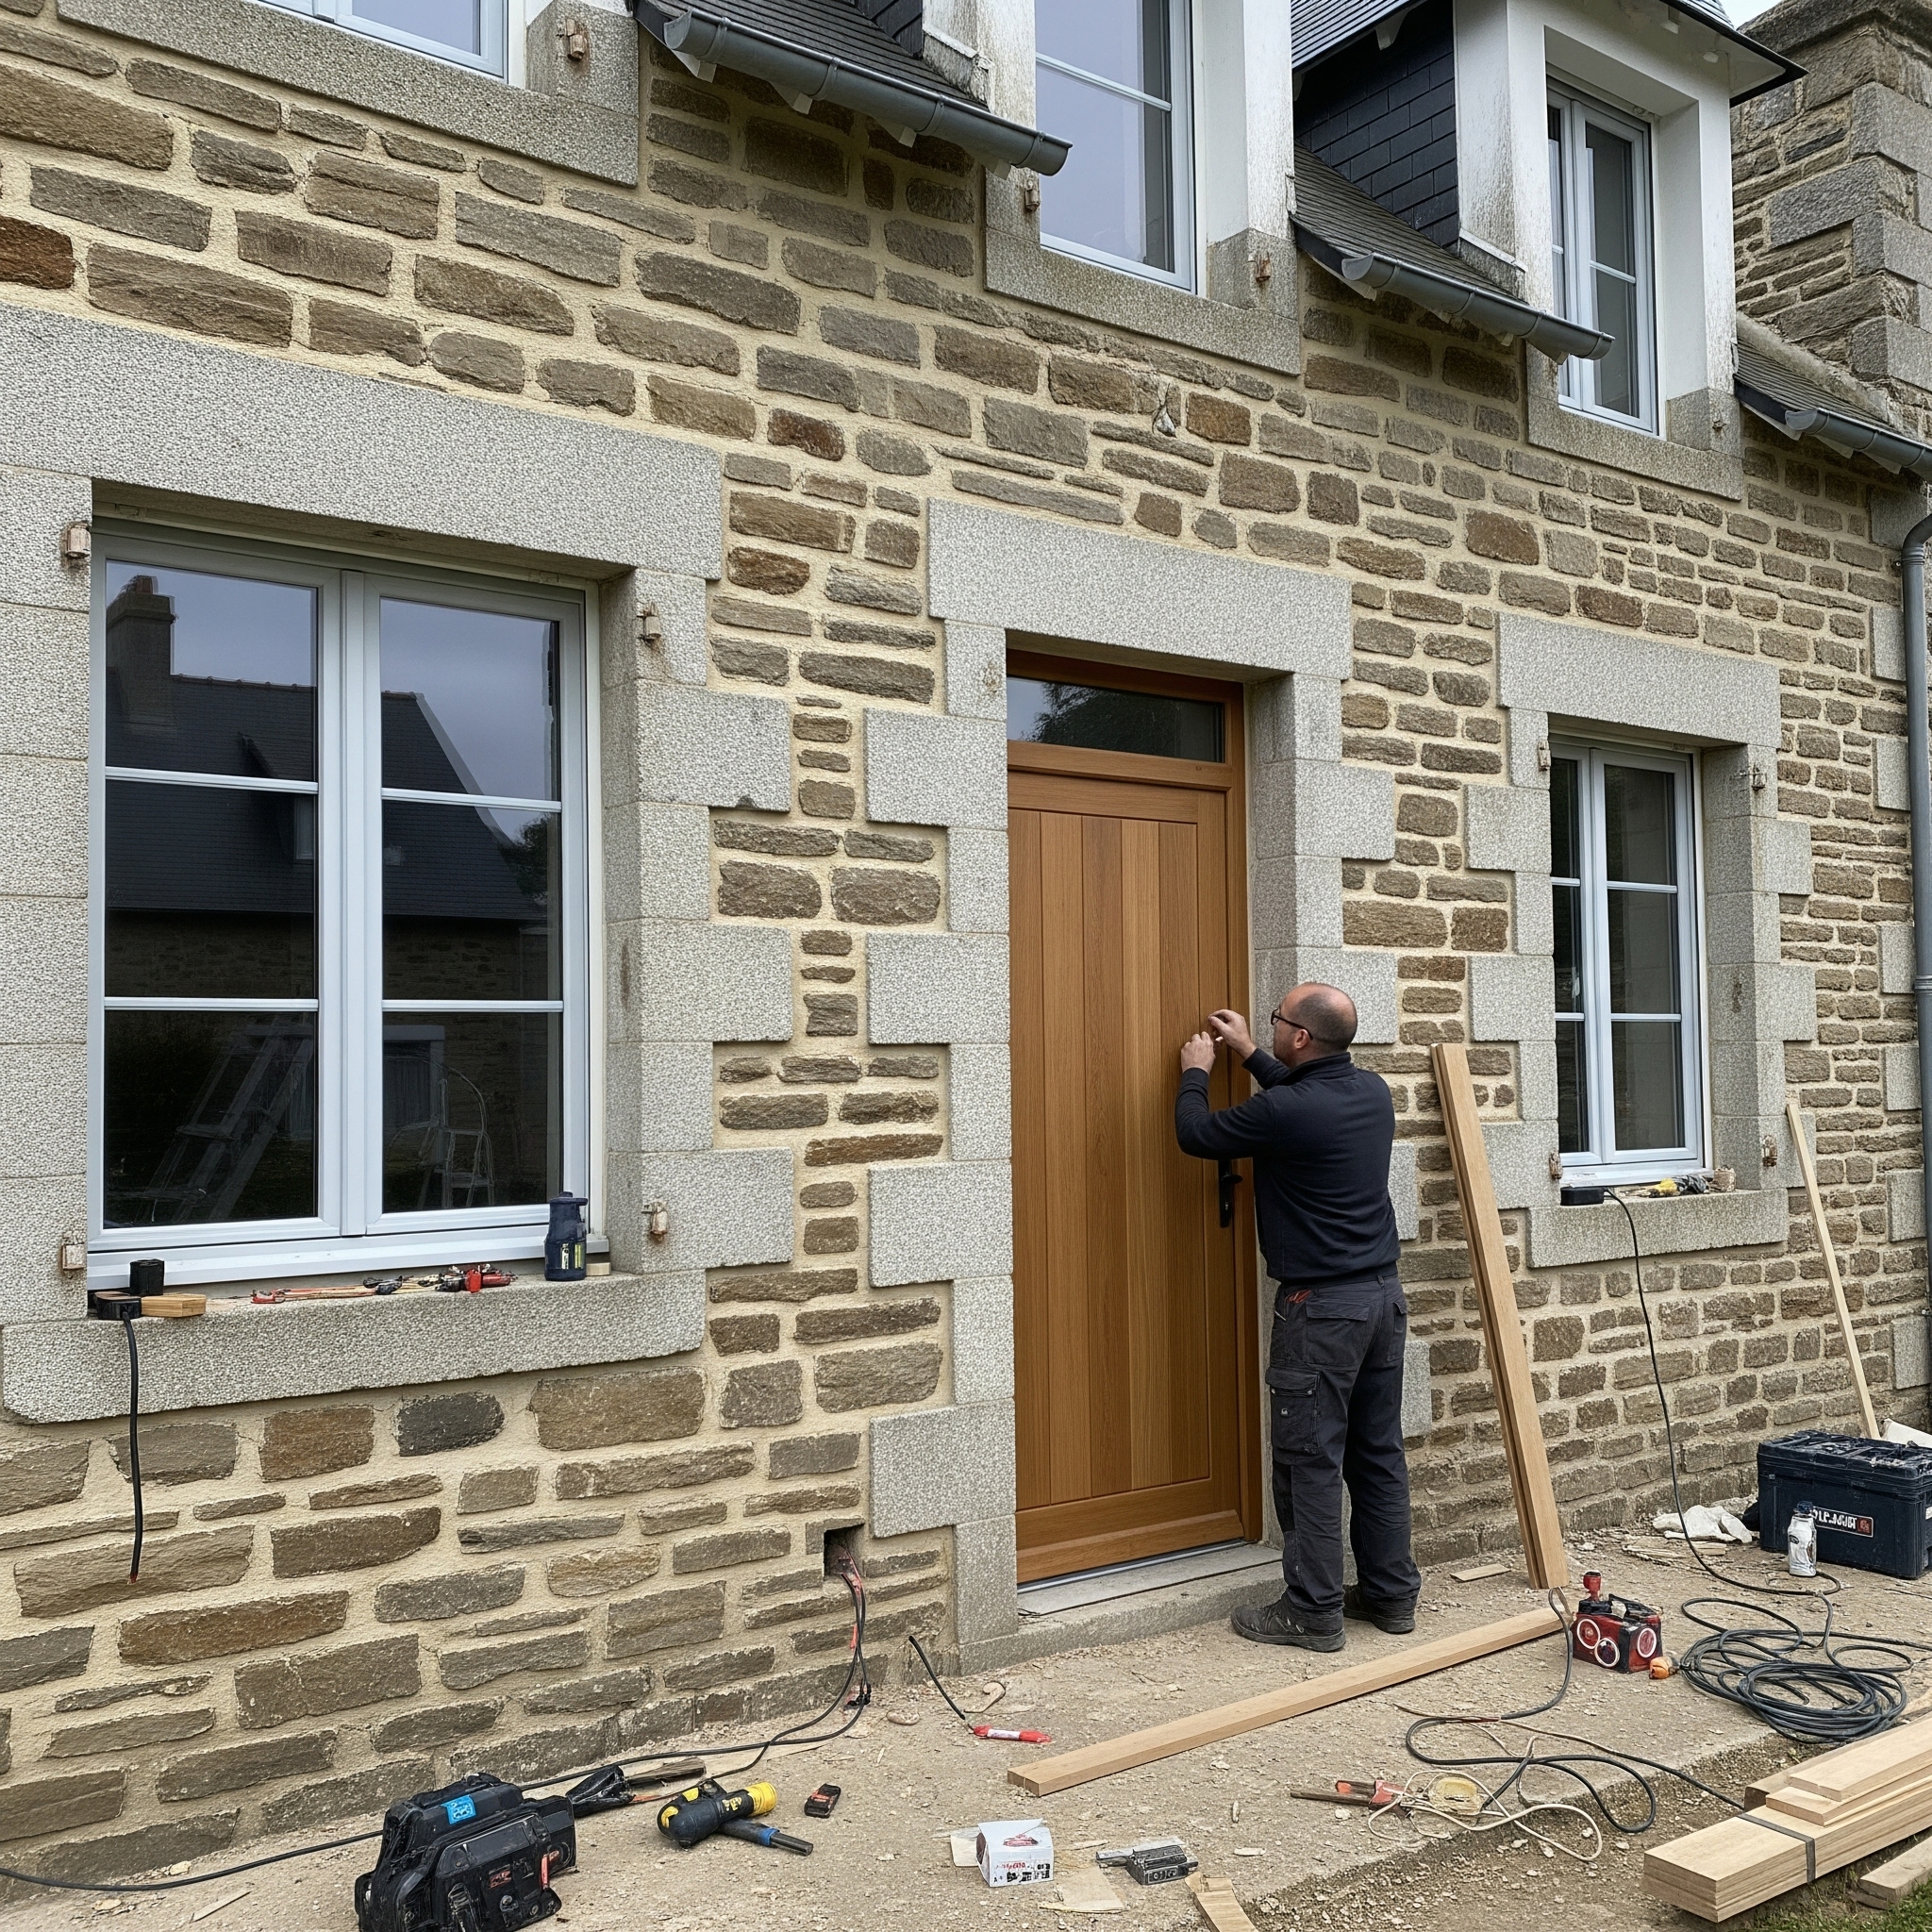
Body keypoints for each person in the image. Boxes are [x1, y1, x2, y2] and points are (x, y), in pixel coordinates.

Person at [1174, 984, 1421, 1652]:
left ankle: (1312, 1610)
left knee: (1308, 1460)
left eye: (1277, 1020)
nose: (1273, 1026)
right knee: (1377, 1455)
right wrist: (1251, 1052)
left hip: (1322, 1313)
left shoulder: (1282, 1111)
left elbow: (1196, 1135)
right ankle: (1391, 1596)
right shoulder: (1370, 1092)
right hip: (1381, 1300)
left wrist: (1196, 1072)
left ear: (1302, 1037)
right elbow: (1300, 1096)